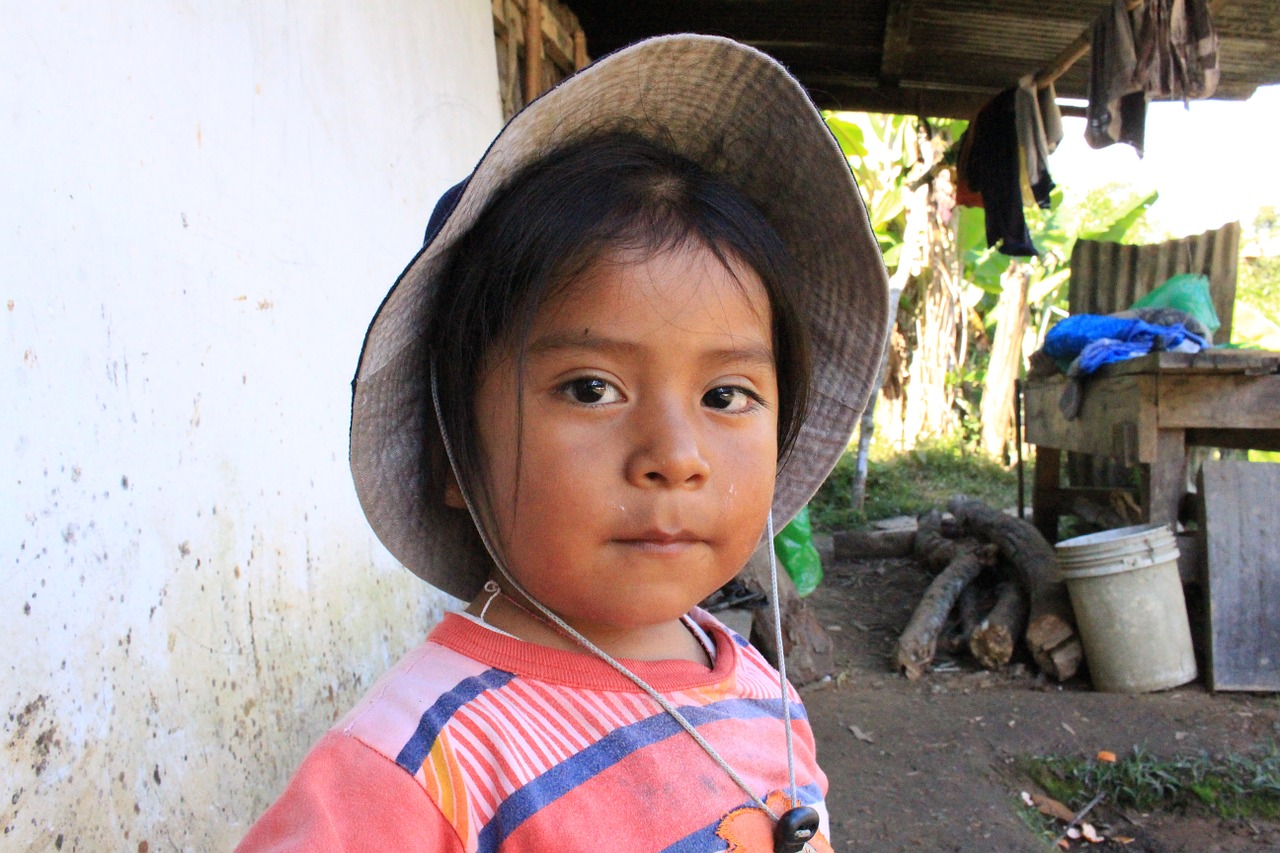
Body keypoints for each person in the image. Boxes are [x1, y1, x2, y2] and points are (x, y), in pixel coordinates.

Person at [237, 33, 888, 853]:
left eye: (727, 395)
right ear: (449, 452)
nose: (675, 455)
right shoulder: (422, 771)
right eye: (590, 388)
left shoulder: (758, 688)